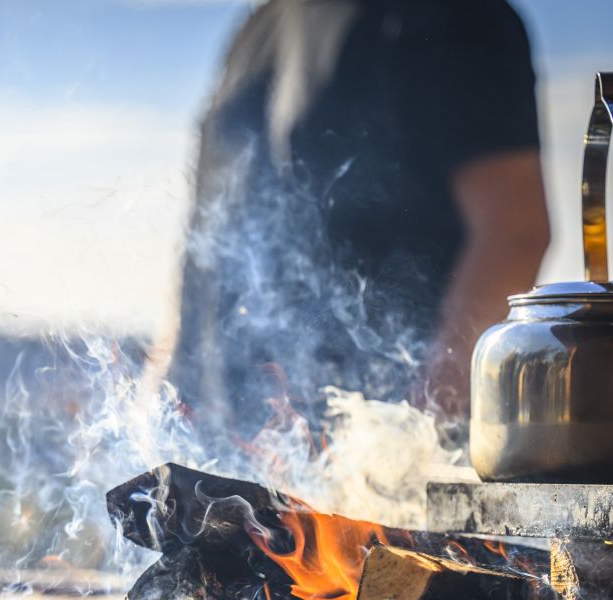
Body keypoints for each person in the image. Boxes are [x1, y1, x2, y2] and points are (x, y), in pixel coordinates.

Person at [167, 0, 550, 443]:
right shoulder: (257, 27)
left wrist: (412, 439)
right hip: (225, 449)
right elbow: (203, 242)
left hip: (365, 459)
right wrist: (161, 394)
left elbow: (514, 232)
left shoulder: (455, 15)